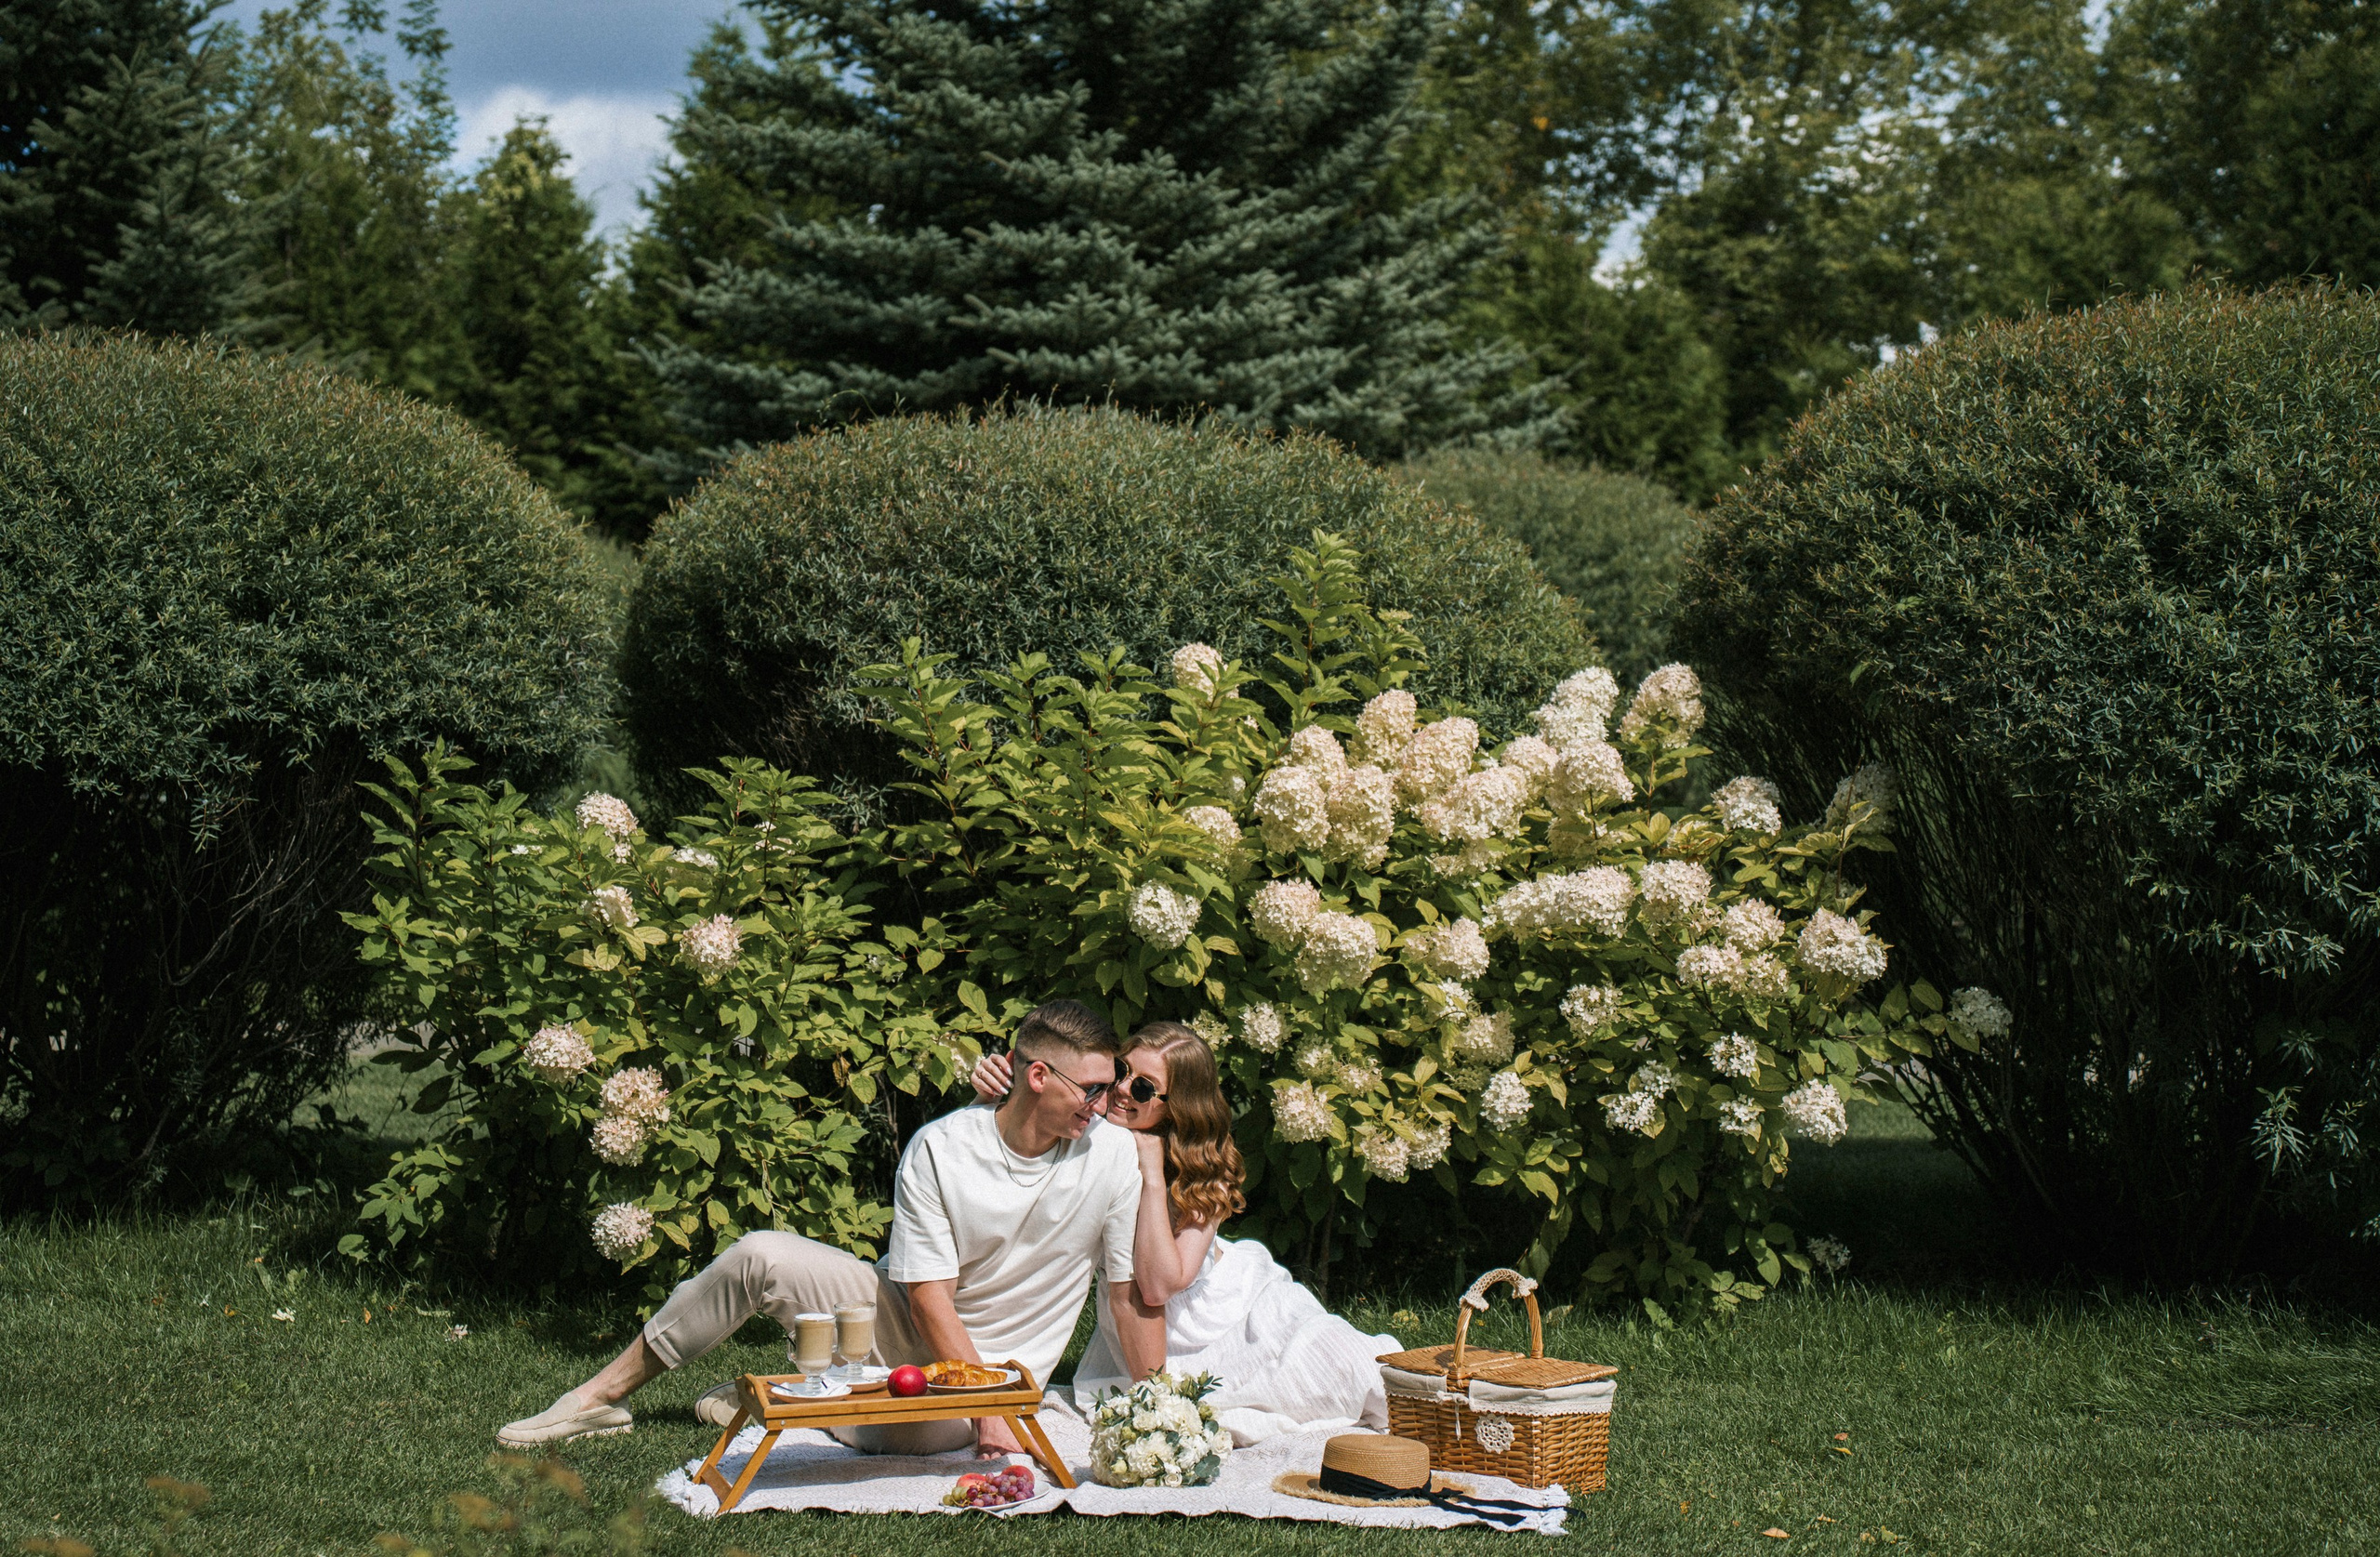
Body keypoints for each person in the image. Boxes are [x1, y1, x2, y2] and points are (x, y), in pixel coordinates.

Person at [498, 998, 1161, 1455]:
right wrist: (992, 1415)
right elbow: (928, 1297)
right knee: (760, 1253)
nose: (1107, 1105)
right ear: (1038, 1075)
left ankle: (781, 1397)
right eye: (1095, 1089)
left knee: (918, 1433)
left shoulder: (1110, 1155)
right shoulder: (942, 1146)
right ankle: (593, 1397)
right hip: (909, 1321)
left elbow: (1126, 1293)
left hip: (991, 1376)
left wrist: (1167, 1407)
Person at [971, 1021, 1399, 1445]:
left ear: (1177, 1105)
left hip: (1231, 1316)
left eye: (1143, 1088)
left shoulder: (1204, 1168)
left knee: (1354, 1371)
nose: (1121, 1090)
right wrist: (987, 1095)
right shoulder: (1083, 1124)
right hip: (1144, 1330)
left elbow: (1161, 1286)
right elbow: (1001, 1152)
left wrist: (1152, 1172)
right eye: (1120, 1071)